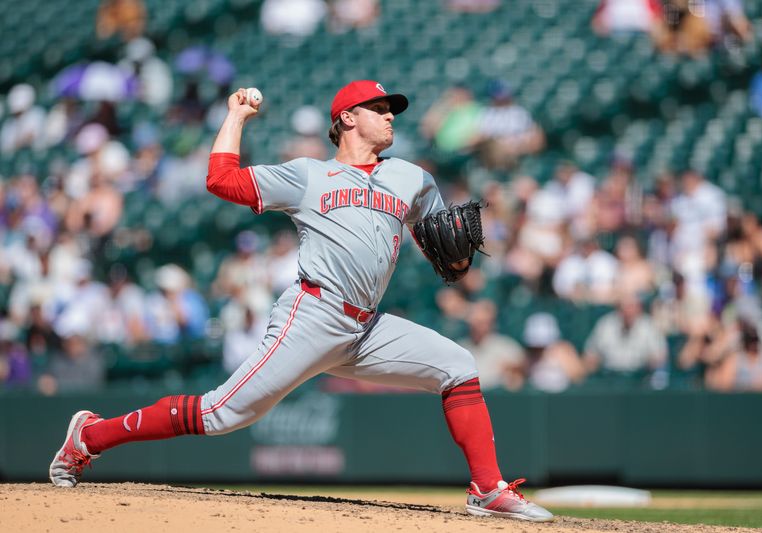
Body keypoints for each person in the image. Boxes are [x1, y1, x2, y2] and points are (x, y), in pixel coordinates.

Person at [49, 80, 554, 522]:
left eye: (392, 109)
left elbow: (438, 241)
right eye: (379, 108)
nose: (389, 116)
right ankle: (91, 436)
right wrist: (235, 116)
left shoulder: (413, 178)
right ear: (347, 119)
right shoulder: (308, 174)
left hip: (366, 328)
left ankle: (487, 489)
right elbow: (220, 180)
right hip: (312, 315)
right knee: (223, 414)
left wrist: (458, 261)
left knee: (458, 364)